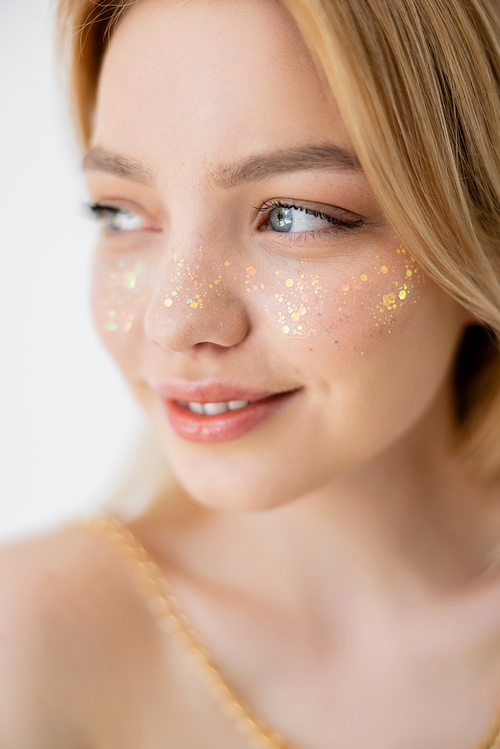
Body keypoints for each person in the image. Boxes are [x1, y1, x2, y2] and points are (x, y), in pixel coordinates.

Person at [2, 0, 500, 746]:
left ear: (477, 232)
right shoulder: (27, 643)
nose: (173, 321)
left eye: (295, 216)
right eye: (120, 213)